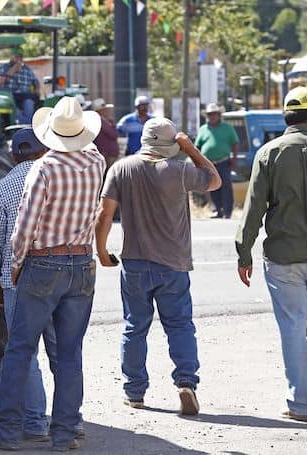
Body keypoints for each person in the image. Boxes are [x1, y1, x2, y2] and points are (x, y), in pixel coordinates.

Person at [0, 96, 105, 451]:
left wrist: (17, 263)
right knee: (69, 354)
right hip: (81, 264)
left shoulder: (44, 169)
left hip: (43, 264)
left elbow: (23, 227)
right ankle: (64, 434)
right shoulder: (97, 162)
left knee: (19, 350)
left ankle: (7, 434)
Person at [236, 86, 307, 422]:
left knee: (293, 325)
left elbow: (253, 209)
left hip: (284, 257)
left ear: (287, 118)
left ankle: (300, 404)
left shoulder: (269, 154)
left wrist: (244, 253)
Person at [96, 118, 219, 416]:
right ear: (171, 145)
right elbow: (214, 180)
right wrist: (190, 148)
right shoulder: (180, 170)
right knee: (179, 325)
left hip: (135, 262)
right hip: (173, 263)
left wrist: (101, 251)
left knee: (134, 327)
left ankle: (134, 392)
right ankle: (186, 382)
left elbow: (104, 214)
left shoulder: (121, 168)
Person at [0, 128, 58, 443]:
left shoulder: (3, 186)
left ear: (12, 156)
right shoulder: (60, 182)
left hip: (17, 279)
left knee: (24, 354)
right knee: (63, 352)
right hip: (60, 275)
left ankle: (35, 423)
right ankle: (72, 422)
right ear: (44, 151)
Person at [195, 103, 239, 219]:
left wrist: (234, 159)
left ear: (219, 115)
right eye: (210, 114)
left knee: (226, 186)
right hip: (208, 163)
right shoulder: (203, 129)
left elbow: (235, 143)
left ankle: (227, 212)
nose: (212, 116)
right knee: (213, 186)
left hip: (223, 162)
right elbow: (197, 146)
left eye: (214, 114)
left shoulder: (227, 128)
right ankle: (217, 210)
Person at [0, 48, 41, 125]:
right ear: (11, 57)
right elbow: (0, 82)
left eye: (20, 57)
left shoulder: (28, 69)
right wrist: (13, 69)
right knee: (15, 111)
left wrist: (37, 89)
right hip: (10, 96)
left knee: (29, 103)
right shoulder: (3, 67)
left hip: (25, 96)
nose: (19, 59)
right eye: (16, 56)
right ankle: (25, 125)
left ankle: (27, 125)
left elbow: (36, 81)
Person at [90, 98, 119, 170]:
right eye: (104, 109)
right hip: (107, 154)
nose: (106, 110)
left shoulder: (103, 120)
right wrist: (112, 125)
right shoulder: (100, 121)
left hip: (107, 153)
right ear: (100, 110)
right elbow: (113, 135)